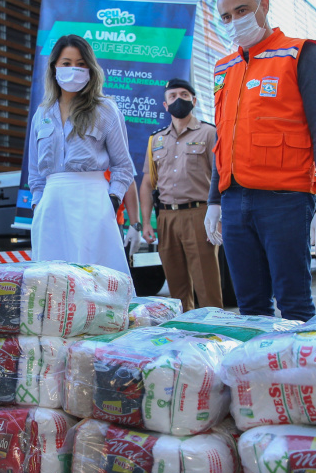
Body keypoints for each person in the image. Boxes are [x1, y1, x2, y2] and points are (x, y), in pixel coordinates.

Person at [204, 0, 316, 322]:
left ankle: (300, 375)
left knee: (294, 305)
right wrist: (214, 201)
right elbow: (224, 138)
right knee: (250, 309)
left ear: (263, 6)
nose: (235, 21)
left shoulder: (302, 54)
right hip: (235, 204)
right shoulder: (224, 68)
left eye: (242, 11)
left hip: (285, 201)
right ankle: (260, 375)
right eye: (225, 17)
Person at [28, 34, 135, 276]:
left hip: (92, 202)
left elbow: (123, 166)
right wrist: (38, 204)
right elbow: (34, 172)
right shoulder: (42, 113)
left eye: (80, 64)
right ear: (54, 67)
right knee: (51, 280)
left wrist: (112, 202)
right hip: (51, 206)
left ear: (90, 68)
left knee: (96, 278)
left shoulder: (105, 109)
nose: (73, 70)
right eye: (66, 63)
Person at [139, 78, 222, 312]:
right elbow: (147, 183)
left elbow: (222, 177)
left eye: (184, 95)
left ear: (194, 100)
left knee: (206, 283)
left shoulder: (209, 133)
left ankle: (214, 333)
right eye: (173, 96)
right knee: (176, 286)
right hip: (166, 218)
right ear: (165, 105)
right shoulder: (156, 140)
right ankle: (185, 333)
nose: (179, 100)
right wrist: (146, 222)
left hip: (200, 214)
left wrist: (220, 216)